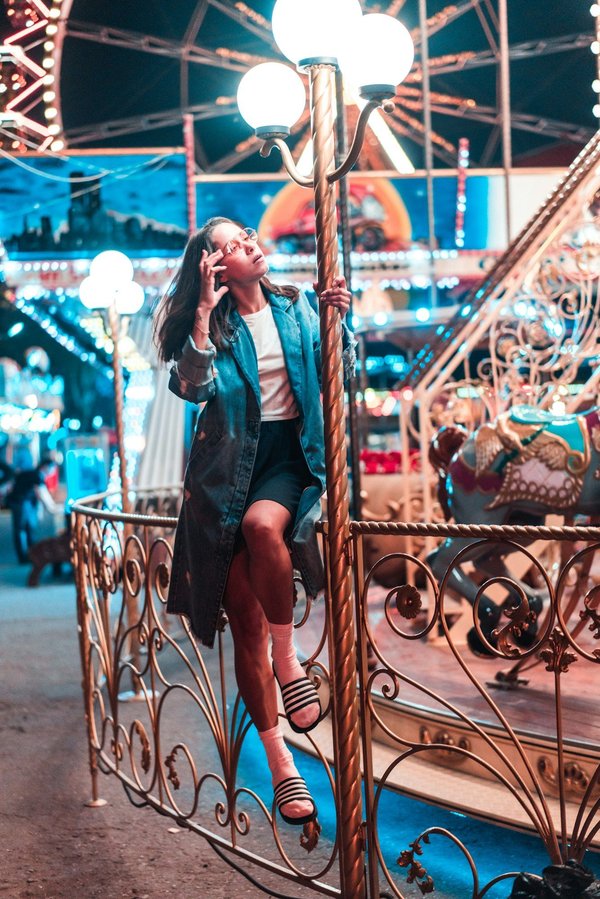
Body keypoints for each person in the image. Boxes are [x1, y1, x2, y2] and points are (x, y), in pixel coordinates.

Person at [154, 217, 354, 827]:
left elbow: (339, 374)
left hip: (286, 461)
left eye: (247, 236)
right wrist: (200, 313)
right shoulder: (214, 326)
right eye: (232, 246)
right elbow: (192, 387)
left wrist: (338, 323)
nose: (250, 244)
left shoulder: (294, 307)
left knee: (265, 527)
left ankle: (288, 660)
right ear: (215, 267)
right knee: (245, 628)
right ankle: (282, 765)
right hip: (224, 475)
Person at [8, 457, 59, 564]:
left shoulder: (33, 473)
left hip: (23, 503)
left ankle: (30, 554)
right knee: (21, 529)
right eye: (52, 469)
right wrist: (52, 508)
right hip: (20, 502)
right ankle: (25, 556)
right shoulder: (37, 475)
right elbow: (42, 493)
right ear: (45, 467)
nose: (52, 472)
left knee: (28, 528)